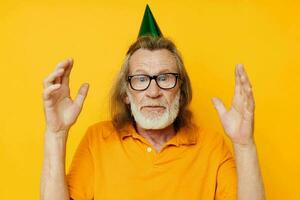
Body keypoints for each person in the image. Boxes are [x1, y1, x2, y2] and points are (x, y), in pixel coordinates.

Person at [40, 6, 265, 200]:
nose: (154, 91)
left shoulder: (211, 146)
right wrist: (56, 134)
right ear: (126, 93)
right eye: (141, 79)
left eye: (165, 78)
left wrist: (245, 145)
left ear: (181, 89)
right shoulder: (97, 140)